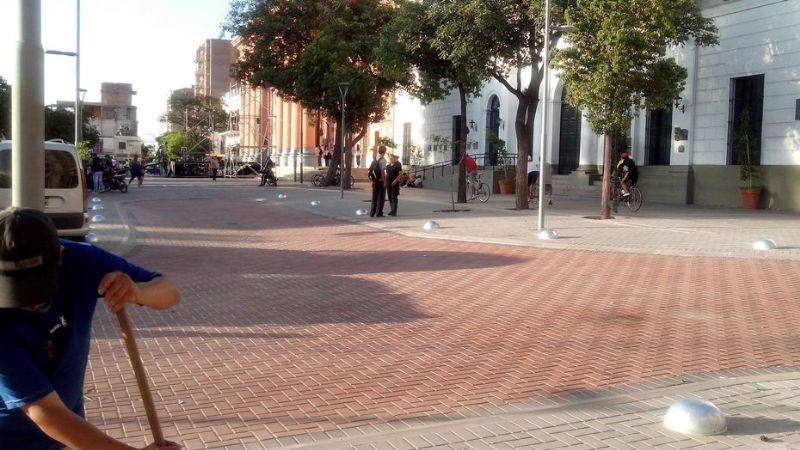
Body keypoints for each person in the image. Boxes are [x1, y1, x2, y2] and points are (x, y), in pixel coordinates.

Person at [0, 207, 181, 450]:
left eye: (37, 288)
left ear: (61, 256)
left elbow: (169, 292)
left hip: (68, 435)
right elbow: (44, 410)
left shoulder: (82, 260)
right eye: (15, 292)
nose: (29, 301)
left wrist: (137, 292)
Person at [369, 145, 387, 217]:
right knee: (381, 197)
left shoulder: (375, 157)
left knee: (374, 196)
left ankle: (372, 212)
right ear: (384, 151)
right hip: (380, 180)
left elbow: (372, 170)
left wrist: (372, 181)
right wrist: (385, 181)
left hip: (375, 180)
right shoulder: (383, 160)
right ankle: (379, 212)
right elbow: (382, 171)